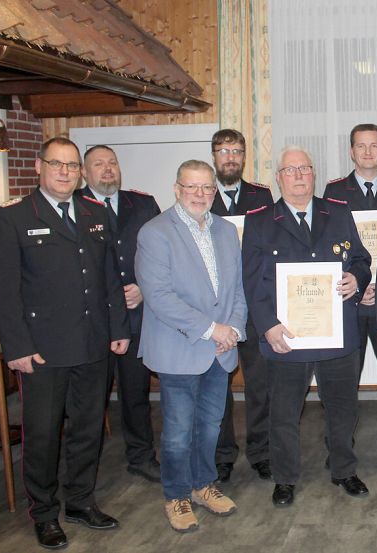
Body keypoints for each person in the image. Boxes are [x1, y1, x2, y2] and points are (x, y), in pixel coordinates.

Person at [0, 137, 130, 549]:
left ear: (80, 173)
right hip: (42, 349)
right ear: (39, 167)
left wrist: (118, 328)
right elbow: (4, 289)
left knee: (88, 429)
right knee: (43, 435)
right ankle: (44, 512)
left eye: (72, 166)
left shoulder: (94, 212)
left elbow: (110, 278)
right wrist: (16, 347)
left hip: (92, 342)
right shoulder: (13, 216)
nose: (65, 172)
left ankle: (81, 501)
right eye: (57, 164)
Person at [243, 146, 372, 507]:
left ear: (314, 174)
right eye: (290, 170)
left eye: (304, 168)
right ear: (279, 178)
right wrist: (267, 326)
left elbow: (362, 259)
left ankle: (344, 469)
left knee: (343, 409)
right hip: (286, 335)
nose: (298, 175)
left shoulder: (339, 213)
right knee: (283, 413)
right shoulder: (260, 221)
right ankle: (284, 478)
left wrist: (356, 278)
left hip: (336, 333)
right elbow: (251, 282)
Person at [136, 160, 246, 532]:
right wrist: (213, 329)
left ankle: (203, 485)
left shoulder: (227, 231)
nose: (199, 194)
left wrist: (233, 330)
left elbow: (238, 291)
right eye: (191, 187)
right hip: (179, 349)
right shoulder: (155, 232)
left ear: (215, 191)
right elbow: (159, 296)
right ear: (177, 189)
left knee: (210, 426)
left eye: (206, 188)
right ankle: (177, 495)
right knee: (179, 432)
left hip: (220, 350)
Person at [324, 123, 377, 467]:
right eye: (361, 146)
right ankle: (339, 445)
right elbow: (328, 246)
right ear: (351, 151)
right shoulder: (334, 192)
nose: (367, 152)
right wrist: (359, 286)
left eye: (373, 145)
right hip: (349, 301)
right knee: (343, 381)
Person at [77, 145, 162, 483]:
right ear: (85, 173)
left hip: (135, 316)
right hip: (93, 321)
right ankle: (83, 471)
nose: (107, 169)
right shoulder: (73, 206)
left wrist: (144, 287)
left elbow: (161, 253)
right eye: (98, 164)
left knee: (135, 394)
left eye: (112, 163)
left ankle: (142, 457)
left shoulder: (142, 204)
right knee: (89, 402)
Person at [208, 128, 274, 483]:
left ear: (244, 156)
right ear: (214, 156)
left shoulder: (262, 196)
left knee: (260, 385)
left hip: (255, 306)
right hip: (217, 309)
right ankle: (222, 455)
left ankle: (261, 452)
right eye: (223, 151)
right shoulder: (202, 197)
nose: (230, 157)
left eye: (236, 151)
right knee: (218, 386)